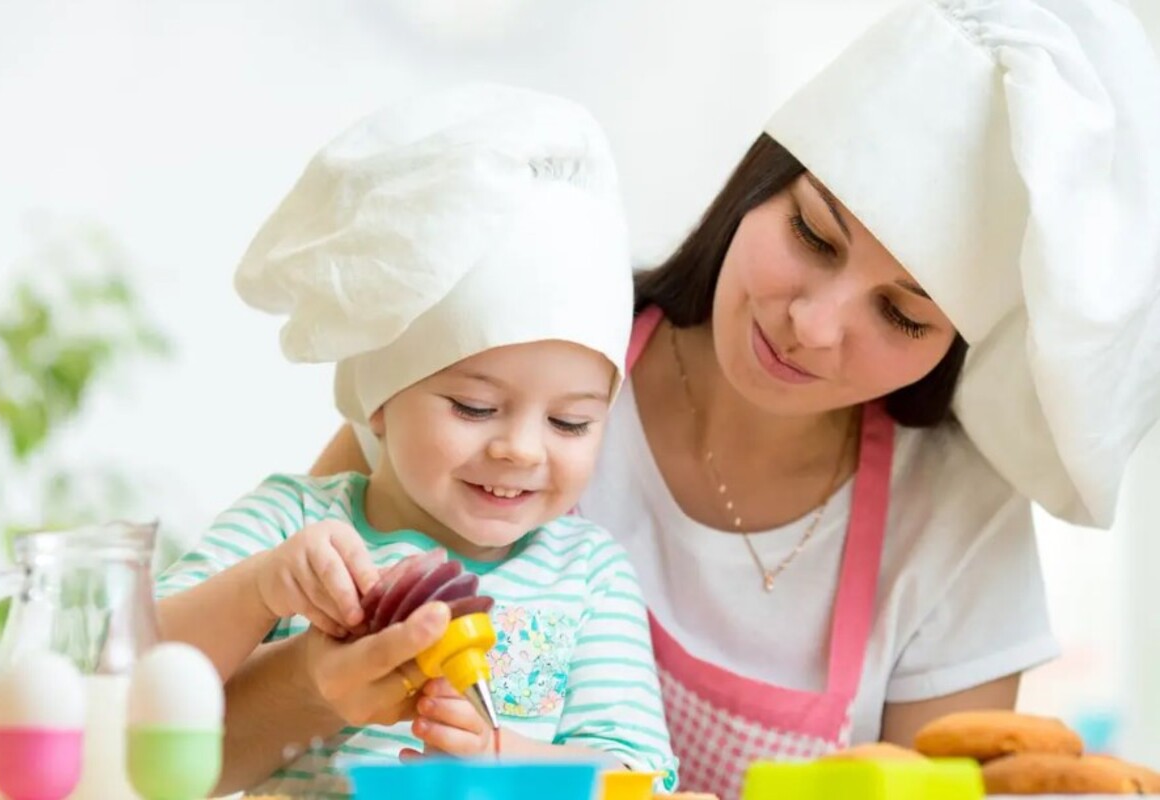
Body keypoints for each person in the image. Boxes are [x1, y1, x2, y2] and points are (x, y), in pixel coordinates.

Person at [305, 1, 1160, 797]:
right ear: (760, 182)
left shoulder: (956, 516)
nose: (813, 327)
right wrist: (325, 683)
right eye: (811, 234)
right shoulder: (524, 350)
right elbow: (223, 712)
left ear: (956, 346)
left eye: (902, 314)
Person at [155, 84, 678, 797]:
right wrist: (258, 590)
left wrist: (507, 755)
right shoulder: (296, 530)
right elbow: (140, 681)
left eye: (570, 423)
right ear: (379, 403)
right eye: (474, 406)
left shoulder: (588, 577)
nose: (522, 449)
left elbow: (641, 780)